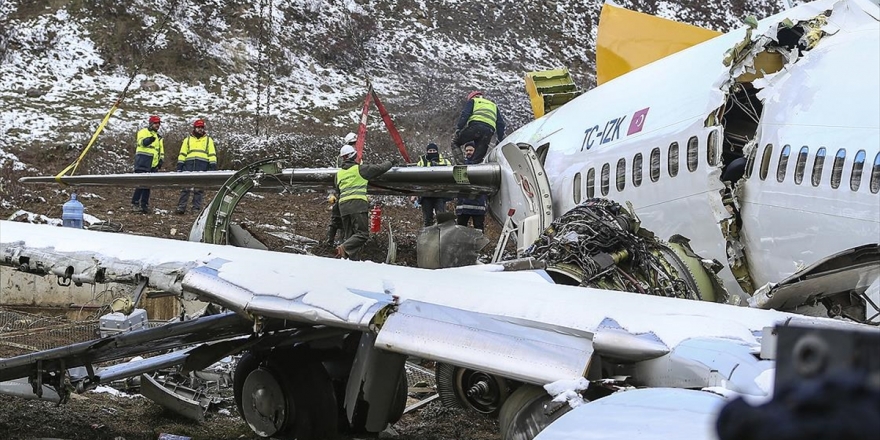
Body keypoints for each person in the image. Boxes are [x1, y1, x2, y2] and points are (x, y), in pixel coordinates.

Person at [335, 144, 394, 260]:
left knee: (350, 236)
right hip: (357, 205)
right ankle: (344, 247)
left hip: (343, 207)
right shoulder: (360, 169)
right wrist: (391, 162)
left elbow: (338, 190)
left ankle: (352, 262)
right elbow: (380, 168)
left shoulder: (339, 174)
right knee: (362, 234)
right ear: (354, 156)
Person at [452, 90, 506, 164]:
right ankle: (473, 170)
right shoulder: (493, 105)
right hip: (489, 132)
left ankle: (461, 165)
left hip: (475, 127)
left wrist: (459, 128)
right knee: (476, 160)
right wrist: (499, 139)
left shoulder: (473, 101)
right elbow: (501, 124)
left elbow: (465, 114)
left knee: (455, 142)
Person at [176, 119, 217, 214]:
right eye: (198, 127)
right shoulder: (187, 140)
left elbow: (212, 154)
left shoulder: (208, 140)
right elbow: (182, 153)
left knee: (199, 189)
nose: (200, 129)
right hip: (189, 165)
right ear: (194, 128)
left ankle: (196, 208)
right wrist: (180, 165)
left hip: (202, 165)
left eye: (202, 127)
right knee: (185, 188)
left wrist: (212, 166)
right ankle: (181, 207)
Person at [325, 133, 357, 245]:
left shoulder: (354, 156)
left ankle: (342, 242)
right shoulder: (343, 158)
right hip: (343, 193)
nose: (355, 145)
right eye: (353, 143)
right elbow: (338, 176)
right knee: (337, 219)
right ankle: (332, 242)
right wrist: (333, 193)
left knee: (345, 221)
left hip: (349, 193)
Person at [131, 115, 165, 214]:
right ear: (150, 123)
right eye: (155, 123)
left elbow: (160, 150)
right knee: (141, 184)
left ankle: (144, 205)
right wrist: (148, 140)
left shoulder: (159, 137)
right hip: (143, 161)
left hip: (153, 163)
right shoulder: (143, 132)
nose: (157, 125)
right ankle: (135, 203)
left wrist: (161, 160)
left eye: (158, 123)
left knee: (148, 186)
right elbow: (141, 142)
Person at [412, 143, 452, 227]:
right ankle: (428, 237)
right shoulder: (421, 162)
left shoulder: (445, 161)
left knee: (441, 218)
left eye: (434, 150)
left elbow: (450, 177)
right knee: (427, 219)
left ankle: (441, 237)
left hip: (440, 194)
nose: (432, 152)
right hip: (426, 194)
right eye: (430, 150)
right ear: (427, 151)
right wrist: (414, 193)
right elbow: (416, 179)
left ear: (437, 151)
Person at [455, 143, 488, 231]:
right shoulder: (460, 165)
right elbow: (459, 181)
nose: (468, 152)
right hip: (463, 206)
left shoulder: (482, 165)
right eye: (467, 150)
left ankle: (479, 245)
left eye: (471, 150)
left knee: (478, 229)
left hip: (478, 204)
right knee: (461, 230)